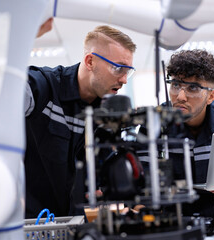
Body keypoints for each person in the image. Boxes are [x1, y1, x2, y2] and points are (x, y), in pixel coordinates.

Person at [24, 24, 137, 218]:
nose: (125, 79)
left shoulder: (105, 116)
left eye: (129, 71)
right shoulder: (42, 86)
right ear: (90, 61)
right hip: (26, 222)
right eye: (118, 68)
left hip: (72, 224)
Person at [137, 49, 214, 222]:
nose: (180, 96)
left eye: (193, 88)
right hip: (172, 224)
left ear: (211, 96)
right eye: (176, 85)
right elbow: (141, 186)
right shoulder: (153, 125)